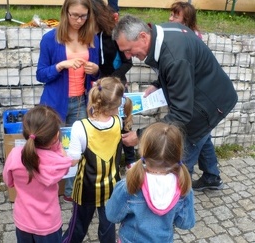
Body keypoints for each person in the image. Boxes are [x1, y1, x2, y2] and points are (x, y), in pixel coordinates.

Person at [112, 15, 238, 191]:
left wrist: (141, 136)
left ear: (142, 36)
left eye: (128, 50)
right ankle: (212, 177)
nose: (128, 56)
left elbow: (182, 113)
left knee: (181, 159)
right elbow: (179, 67)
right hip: (208, 93)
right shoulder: (160, 34)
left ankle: (177, 207)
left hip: (209, 104)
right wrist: (158, 83)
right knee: (203, 136)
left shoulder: (173, 56)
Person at [36, 0, 100, 203]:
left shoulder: (92, 38)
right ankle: (47, 188)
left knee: (78, 148)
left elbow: (96, 71)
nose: (78, 20)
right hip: (55, 103)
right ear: (65, 12)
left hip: (81, 101)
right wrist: (61, 65)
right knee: (49, 146)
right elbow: (41, 74)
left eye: (83, 16)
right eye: (74, 15)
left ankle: (71, 191)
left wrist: (95, 70)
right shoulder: (50, 39)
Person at [62, 77, 132, 243]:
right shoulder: (118, 121)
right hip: (111, 187)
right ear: (116, 105)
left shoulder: (80, 126)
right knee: (108, 229)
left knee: (77, 227)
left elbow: (73, 161)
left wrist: (58, 150)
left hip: (86, 189)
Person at [105, 122, 195, 242]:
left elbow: (112, 215)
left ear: (143, 151)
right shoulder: (184, 188)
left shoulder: (129, 185)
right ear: (178, 153)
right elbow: (186, 224)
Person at [3, 105, 73, 243]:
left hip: (23, 222)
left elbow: (9, 181)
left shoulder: (14, 154)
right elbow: (66, 161)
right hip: (48, 226)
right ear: (55, 137)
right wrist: (57, 144)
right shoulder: (56, 163)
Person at [91, 0, 135, 167]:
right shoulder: (91, 36)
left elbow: (127, 62)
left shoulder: (115, 35)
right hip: (98, 86)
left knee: (124, 122)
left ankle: (130, 160)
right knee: (102, 121)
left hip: (117, 84)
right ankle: (108, 160)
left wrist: (113, 79)